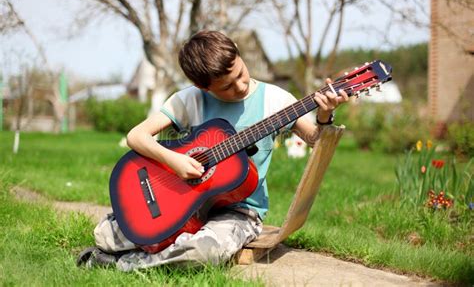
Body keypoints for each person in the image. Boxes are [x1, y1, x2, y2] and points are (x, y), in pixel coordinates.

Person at [77, 30, 349, 271]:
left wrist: (325, 114)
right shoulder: (188, 100)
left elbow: (315, 139)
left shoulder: (276, 100)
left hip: (239, 212)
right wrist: (174, 161)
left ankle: (122, 264)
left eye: (241, 74)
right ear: (203, 87)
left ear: (239, 57)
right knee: (105, 236)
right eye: (227, 87)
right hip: (184, 202)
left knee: (203, 251)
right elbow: (136, 136)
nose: (240, 86)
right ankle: (169, 241)